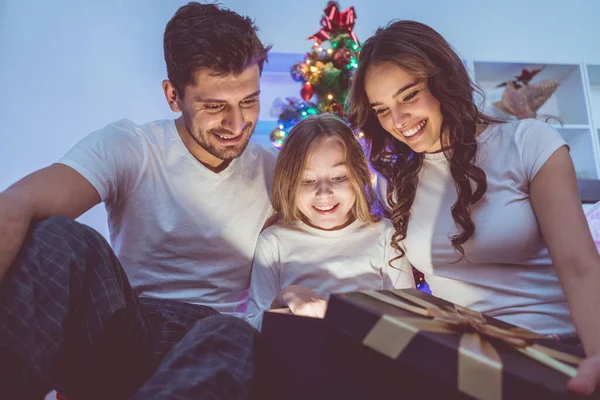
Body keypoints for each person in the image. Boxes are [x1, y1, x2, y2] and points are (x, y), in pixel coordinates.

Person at [0, 3, 277, 399]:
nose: (236, 124)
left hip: (217, 343)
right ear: (172, 95)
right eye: (215, 106)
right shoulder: (133, 147)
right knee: (59, 237)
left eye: (249, 101)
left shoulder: (278, 170)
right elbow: (14, 206)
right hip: (127, 328)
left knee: (232, 331)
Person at [347, 20, 600, 396]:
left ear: (443, 80)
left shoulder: (528, 143)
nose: (398, 122)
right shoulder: (394, 181)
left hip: (550, 348)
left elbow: (580, 268)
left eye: (409, 95)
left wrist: (597, 354)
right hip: (459, 357)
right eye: (382, 109)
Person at [245, 114, 415, 330]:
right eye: (307, 181)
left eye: (338, 178)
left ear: (359, 176)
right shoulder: (273, 242)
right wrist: (285, 298)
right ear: (288, 183)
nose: (324, 193)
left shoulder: (386, 236)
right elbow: (251, 327)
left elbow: (409, 318)